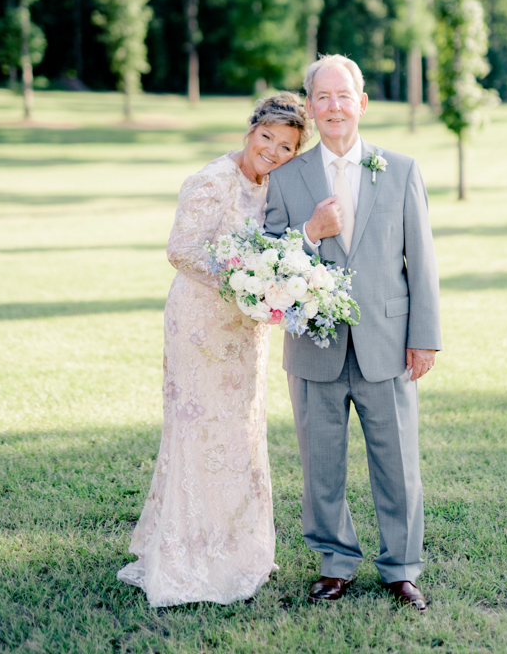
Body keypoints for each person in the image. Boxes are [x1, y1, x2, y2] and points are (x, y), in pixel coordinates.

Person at [118, 92, 313, 607]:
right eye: (267, 137)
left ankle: (238, 548)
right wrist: (245, 282)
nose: (272, 150)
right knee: (201, 426)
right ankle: (190, 554)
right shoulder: (212, 180)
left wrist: (265, 287)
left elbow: (273, 247)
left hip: (247, 327)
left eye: (286, 146)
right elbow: (180, 249)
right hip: (201, 323)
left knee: (241, 428)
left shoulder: (272, 184)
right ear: (250, 131)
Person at [264, 55, 441, 611]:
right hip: (314, 346)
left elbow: (422, 260)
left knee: (398, 462)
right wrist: (309, 233)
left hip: (386, 343)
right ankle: (334, 562)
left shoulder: (402, 169)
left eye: (344, 96)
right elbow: (268, 260)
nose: (334, 106)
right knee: (321, 462)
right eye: (322, 97)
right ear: (311, 109)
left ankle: (401, 566)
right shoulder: (287, 176)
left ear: (361, 103)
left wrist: (425, 335)